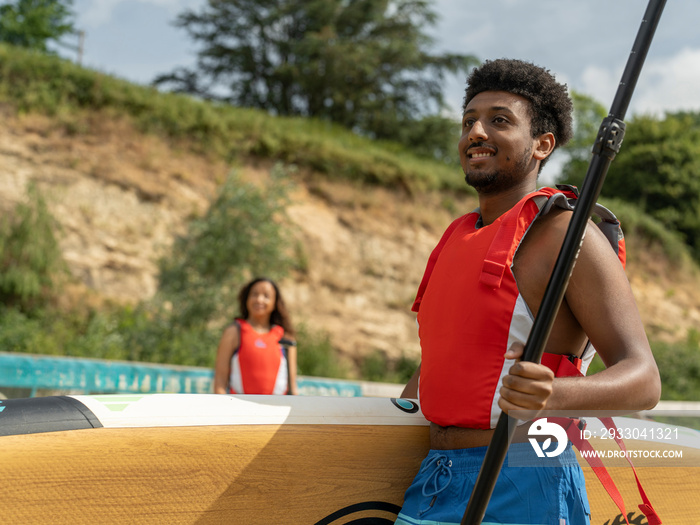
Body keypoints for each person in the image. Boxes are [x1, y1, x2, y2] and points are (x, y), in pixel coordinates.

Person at [395, 59, 661, 525]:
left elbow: (643, 379)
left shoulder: (568, 234)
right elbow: (446, 359)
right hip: (434, 478)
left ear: (542, 145)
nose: (475, 131)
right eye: (468, 122)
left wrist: (553, 394)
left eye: (499, 120)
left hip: (523, 478)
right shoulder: (456, 237)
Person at [214, 277, 298, 395]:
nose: (259, 299)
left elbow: (292, 387)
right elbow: (220, 382)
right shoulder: (233, 332)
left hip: (276, 411)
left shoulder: (286, 338)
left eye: (266, 296)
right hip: (239, 410)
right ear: (247, 299)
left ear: (275, 303)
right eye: (254, 294)